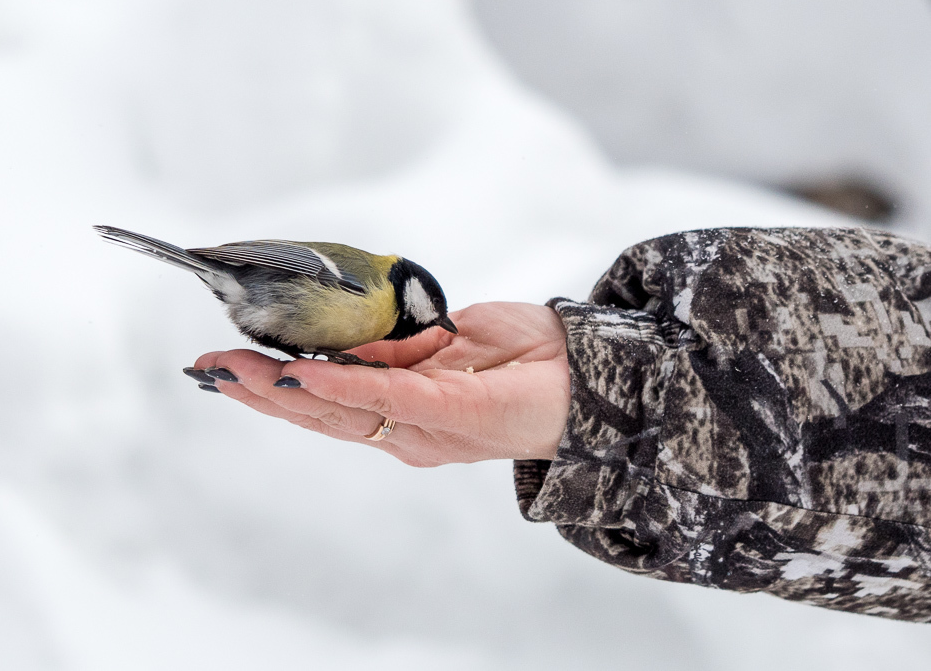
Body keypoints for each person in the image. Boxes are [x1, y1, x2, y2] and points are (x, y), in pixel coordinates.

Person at [190, 227, 931, 623]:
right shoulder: (370, 283)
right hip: (261, 287)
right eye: (430, 311)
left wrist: (628, 396)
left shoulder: (387, 298)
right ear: (406, 289)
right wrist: (622, 374)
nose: (432, 324)